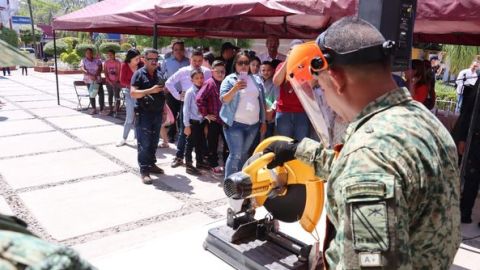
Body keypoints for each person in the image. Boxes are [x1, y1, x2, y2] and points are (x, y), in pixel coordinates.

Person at [264, 17, 460, 269]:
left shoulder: (368, 155)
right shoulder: (425, 122)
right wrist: (297, 150)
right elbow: (381, 169)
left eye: (320, 86)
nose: (326, 99)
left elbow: (371, 263)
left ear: (335, 79)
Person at [220, 51, 267, 179]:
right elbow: (224, 99)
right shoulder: (229, 80)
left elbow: (262, 102)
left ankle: (239, 182)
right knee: (235, 155)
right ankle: (229, 183)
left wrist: (263, 121)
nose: (244, 66)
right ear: (235, 64)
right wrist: (235, 88)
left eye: (246, 63)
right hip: (235, 124)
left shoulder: (257, 79)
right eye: (240, 63)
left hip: (253, 125)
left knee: (245, 154)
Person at [166, 49, 212, 169]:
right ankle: (179, 157)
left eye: (200, 60)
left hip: (201, 108)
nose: (197, 63)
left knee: (200, 134)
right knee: (184, 131)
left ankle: (200, 159)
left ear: (203, 60)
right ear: (190, 59)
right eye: (194, 60)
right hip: (186, 104)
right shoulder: (183, 71)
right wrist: (178, 96)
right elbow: (169, 82)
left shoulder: (207, 72)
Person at [130, 49, 167, 184]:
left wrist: (164, 111)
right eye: (151, 59)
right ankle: (144, 170)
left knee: (154, 141)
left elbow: (162, 94)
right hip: (144, 113)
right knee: (144, 143)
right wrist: (150, 90)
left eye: (156, 59)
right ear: (144, 60)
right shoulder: (139, 74)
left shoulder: (159, 74)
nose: (154, 61)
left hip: (157, 113)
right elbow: (133, 93)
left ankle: (151, 164)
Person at [452, 73, 480, 224]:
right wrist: (462, 138)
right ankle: (465, 213)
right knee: (471, 179)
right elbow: (468, 113)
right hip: (475, 139)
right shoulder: (477, 86)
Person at [272, 40, 310, 141]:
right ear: (289, 51)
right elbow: (276, 82)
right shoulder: (281, 65)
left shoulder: (306, 66)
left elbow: (310, 85)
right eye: (294, 51)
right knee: (284, 144)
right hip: (284, 111)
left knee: (301, 145)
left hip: (301, 112)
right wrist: (287, 61)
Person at [197, 60, 227, 175]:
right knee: (213, 143)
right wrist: (205, 114)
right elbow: (199, 99)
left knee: (227, 143)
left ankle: (226, 163)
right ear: (212, 72)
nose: (220, 74)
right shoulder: (209, 83)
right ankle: (213, 164)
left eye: (223, 71)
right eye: (217, 71)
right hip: (214, 119)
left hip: (225, 119)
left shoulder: (226, 82)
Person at [161, 40, 190, 143]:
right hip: (171, 92)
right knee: (172, 114)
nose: (178, 51)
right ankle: (171, 135)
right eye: (176, 49)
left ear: (184, 50)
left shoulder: (189, 61)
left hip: (185, 93)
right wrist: (164, 86)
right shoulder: (167, 61)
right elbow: (161, 74)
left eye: (181, 49)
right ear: (172, 50)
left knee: (184, 114)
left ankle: (183, 135)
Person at [183, 69, 207, 175]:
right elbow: (186, 110)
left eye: (201, 78)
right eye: (196, 78)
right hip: (193, 123)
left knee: (200, 143)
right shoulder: (190, 92)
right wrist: (186, 125)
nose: (200, 80)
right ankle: (188, 165)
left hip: (201, 122)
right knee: (190, 144)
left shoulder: (203, 90)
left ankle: (200, 162)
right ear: (191, 80)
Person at [117, 49, 141, 147]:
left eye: (139, 58)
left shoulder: (141, 64)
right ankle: (124, 138)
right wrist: (133, 85)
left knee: (138, 116)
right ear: (130, 58)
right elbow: (122, 80)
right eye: (136, 58)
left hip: (140, 93)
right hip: (129, 93)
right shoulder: (124, 65)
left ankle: (136, 137)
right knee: (130, 117)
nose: (139, 60)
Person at [80, 48, 103, 115]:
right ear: (85, 54)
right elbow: (82, 69)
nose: (89, 54)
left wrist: (95, 75)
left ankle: (101, 109)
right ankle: (94, 109)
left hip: (97, 79)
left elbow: (100, 68)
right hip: (89, 80)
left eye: (90, 52)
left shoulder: (97, 60)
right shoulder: (83, 60)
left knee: (101, 94)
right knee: (92, 94)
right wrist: (91, 75)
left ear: (92, 53)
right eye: (87, 53)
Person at [260, 61, 279, 138]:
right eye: (263, 70)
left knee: (267, 138)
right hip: (258, 116)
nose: (266, 72)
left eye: (268, 70)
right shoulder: (258, 81)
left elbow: (277, 98)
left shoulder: (275, 83)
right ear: (260, 71)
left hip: (269, 115)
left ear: (273, 71)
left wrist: (272, 110)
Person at [103, 49, 122, 116]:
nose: (109, 56)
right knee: (110, 95)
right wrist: (108, 80)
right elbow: (105, 72)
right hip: (109, 82)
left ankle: (116, 108)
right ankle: (111, 109)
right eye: (108, 55)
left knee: (116, 95)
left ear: (114, 55)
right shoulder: (106, 62)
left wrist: (115, 81)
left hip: (117, 82)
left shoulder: (118, 62)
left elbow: (120, 72)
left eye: (111, 54)